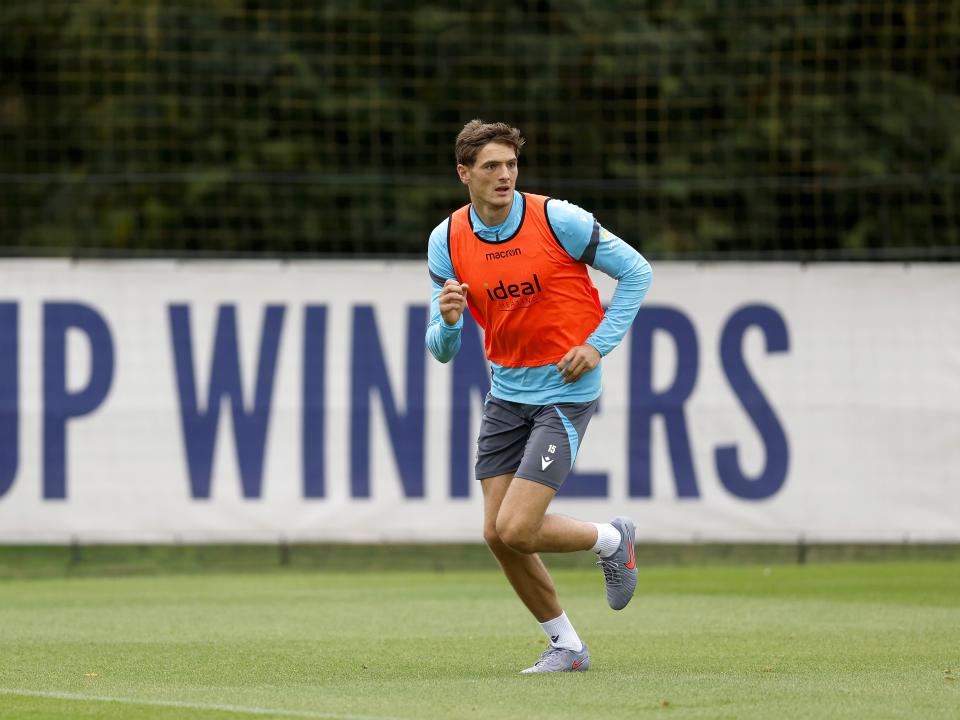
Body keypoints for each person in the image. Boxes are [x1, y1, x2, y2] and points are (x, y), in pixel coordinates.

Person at [425, 120, 653, 674]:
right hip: (506, 392)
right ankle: (568, 648)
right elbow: (441, 348)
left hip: (565, 389)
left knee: (519, 527)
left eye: (511, 165)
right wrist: (450, 320)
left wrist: (597, 346)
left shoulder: (558, 219)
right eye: (490, 167)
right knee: (496, 534)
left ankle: (610, 540)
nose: (504, 176)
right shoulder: (447, 239)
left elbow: (637, 272)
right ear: (464, 174)